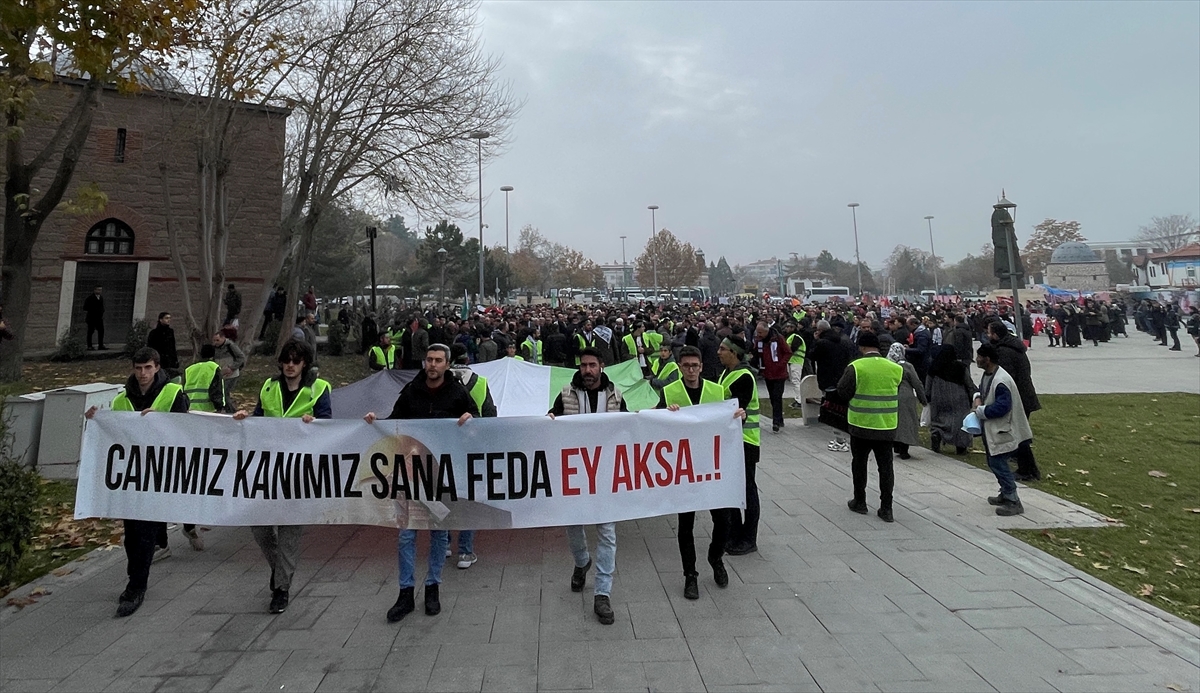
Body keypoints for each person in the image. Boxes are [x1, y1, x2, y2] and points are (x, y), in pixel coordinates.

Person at [365, 344, 477, 623]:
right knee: (406, 534)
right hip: (409, 474)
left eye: (438, 360)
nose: (433, 365)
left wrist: (470, 419)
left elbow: (477, 425)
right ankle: (405, 592)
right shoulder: (411, 391)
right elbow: (394, 424)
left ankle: (432, 587)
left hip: (441, 476)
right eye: (429, 360)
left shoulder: (458, 393)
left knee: (439, 533)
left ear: (447, 364)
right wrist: (375, 422)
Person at [85, 347, 189, 617]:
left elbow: (186, 432)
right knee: (131, 536)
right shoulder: (122, 399)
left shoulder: (173, 393)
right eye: (139, 368)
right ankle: (136, 575)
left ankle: (136, 587)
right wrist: (96, 419)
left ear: (157, 367)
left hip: (159, 476)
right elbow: (113, 432)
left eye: (148, 368)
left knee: (144, 533)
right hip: (131, 477)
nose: (143, 373)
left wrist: (161, 422)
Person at [232, 339, 332, 614]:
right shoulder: (269, 386)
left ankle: (281, 589)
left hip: (300, 473)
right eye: (286, 360)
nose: (290, 365)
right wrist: (244, 419)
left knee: (289, 534)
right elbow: (258, 419)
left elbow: (329, 427)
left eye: (295, 361)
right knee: (260, 527)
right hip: (269, 470)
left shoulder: (319, 388)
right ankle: (280, 573)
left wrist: (316, 424)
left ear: (304, 363)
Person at [549, 347, 626, 625]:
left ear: (601, 366)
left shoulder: (615, 395)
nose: (588, 370)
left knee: (607, 532)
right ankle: (582, 562)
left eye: (592, 365)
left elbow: (630, 428)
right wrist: (548, 419)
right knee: (573, 526)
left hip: (605, 474)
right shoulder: (566, 394)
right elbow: (551, 422)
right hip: (575, 474)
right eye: (583, 365)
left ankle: (602, 593)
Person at [658, 346, 739, 600]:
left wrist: (738, 416)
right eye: (686, 366)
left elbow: (728, 420)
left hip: (712, 467)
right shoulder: (670, 392)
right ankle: (690, 575)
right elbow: (655, 425)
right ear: (680, 367)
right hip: (684, 469)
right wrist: (665, 414)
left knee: (723, 521)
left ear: (701, 367)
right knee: (686, 526)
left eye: (695, 365)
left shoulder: (717, 390)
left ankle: (716, 557)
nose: (691, 370)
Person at [838, 332, 903, 523]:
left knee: (859, 463)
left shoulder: (856, 367)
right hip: (886, 425)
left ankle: (860, 501)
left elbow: (843, 391)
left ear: (861, 347)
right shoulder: (895, 368)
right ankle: (886, 508)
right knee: (886, 467)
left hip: (861, 424)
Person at [448, 343, 497, 570]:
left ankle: (445, 543)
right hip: (472, 447)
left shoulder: (439, 382)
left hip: (444, 446)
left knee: (445, 496)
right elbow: (490, 415)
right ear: (467, 359)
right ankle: (465, 551)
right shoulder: (481, 382)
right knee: (470, 498)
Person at [973, 343, 1033, 517]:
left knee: (998, 463)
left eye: (979, 357)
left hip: (1004, 430)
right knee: (995, 463)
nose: (976, 360)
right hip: (995, 429)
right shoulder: (989, 374)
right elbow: (984, 392)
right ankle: (1006, 493)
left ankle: (1013, 499)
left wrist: (980, 410)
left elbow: (1002, 407)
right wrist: (977, 397)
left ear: (987, 359)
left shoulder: (1001, 381)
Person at [717, 336, 762, 554]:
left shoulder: (743, 377)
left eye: (722, 349)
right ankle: (734, 534)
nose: (718, 352)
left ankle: (749, 538)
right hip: (731, 442)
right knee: (732, 490)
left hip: (745, 442)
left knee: (747, 490)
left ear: (734, 353)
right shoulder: (727, 373)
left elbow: (736, 414)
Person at [987, 321, 1041, 481]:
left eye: (989, 333)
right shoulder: (1013, 347)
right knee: (1018, 434)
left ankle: (1028, 470)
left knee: (1018, 435)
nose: (987, 336)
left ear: (996, 335)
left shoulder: (1005, 352)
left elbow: (1006, 378)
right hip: (1023, 394)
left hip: (1018, 397)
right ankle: (1026, 467)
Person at [925, 346, 976, 455]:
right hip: (958, 399)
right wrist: (973, 396)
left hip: (938, 398)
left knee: (938, 420)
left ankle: (937, 434)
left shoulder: (934, 367)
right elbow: (969, 384)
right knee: (960, 422)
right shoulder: (961, 367)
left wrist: (928, 397)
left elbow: (928, 385)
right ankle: (961, 447)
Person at [885, 342, 927, 460]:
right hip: (904, 396)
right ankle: (903, 449)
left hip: (889, 395)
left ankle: (895, 445)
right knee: (905, 423)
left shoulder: (886, 365)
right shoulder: (907, 366)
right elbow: (917, 383)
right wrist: (923, 399)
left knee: (893, 422)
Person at [753, 321, 791, 433]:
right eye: (757, 332)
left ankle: (776, 422)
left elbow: (788, 352)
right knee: (772, 397)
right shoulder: (759, 341)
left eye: (760, 332)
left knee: (777, 396)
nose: (758, 334)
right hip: (767, 373)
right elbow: (756, 354)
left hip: (779, 374)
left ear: (766, 331)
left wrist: (780, 364)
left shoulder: (778, 338)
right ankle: (779, 418)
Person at [182, 344, 225, 413]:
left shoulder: (189, 369)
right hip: (208, 411)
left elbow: (183, 390)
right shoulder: (213, 368)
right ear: (213, 356)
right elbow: (216, 390)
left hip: (190, 409)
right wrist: (220, 407)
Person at [212, 328, 246, 413]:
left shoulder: (230, 346)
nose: (216, 342)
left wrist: (232, 368)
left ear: (223, 338)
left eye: (218, 340)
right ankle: (228, 410)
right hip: (222, 375)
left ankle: (231, 411)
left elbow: (241, 357)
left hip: (232, 374)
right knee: (222, 393)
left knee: (225, 392)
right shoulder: (215, 348)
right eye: (214, 340)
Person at [783, 322, 806, 410]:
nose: (786, 328)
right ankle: (797, 399)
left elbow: (792, 349)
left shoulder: (796, 337)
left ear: (793, 328)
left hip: (796, 361)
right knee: (794, 382)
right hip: (793, 361)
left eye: (788, 327)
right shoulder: (791, 337)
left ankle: (799, 401)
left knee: (796, 381)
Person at [83, 285, 106, 350]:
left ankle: (100, 345)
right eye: (98, 290)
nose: (99, 291)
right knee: (90, 332)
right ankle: (89, 346)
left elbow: (102, 306)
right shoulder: (89, 298)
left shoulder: (101, 298)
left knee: (101, 331)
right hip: (91, 318)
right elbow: (85, 307)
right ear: (95, 290)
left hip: (99, 318)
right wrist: (93, 310)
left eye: (100, 290)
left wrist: (102, 311)